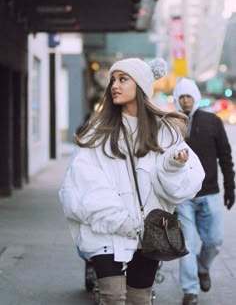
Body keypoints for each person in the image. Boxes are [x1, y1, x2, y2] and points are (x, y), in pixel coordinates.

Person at [59, 58, 205, 305]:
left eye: (123, 79)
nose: (114, 85)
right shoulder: (98, 133)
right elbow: (83, 182)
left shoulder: (164, 131)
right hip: (106, 229)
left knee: (140, 299)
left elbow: (186, 186)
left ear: (141, 85)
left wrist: (173, 166)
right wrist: (118, 219)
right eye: (113, 80)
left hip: (147, 234)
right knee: (112, 298)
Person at [173, 78, 235, 305]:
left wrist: (230, 187)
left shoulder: (212, 121)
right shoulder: (171, 124)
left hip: (210, 193)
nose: (186, 100)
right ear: (177, 99)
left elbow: (226, 157)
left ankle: (202, 267)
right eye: (182, 97)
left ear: (196, 97)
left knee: (215, 240)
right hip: (183, 197)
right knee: (186, 246)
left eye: (189, 96)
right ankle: (190, 291)